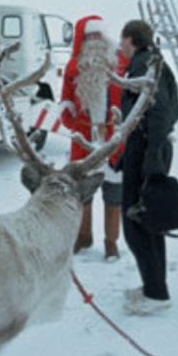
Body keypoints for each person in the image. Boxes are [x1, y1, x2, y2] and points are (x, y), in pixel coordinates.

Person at [116, 20, 178, 315]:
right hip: (147, 147)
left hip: (147, 150)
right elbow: (171, 110)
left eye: (123, 40)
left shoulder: (144, 65)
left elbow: (160, 111)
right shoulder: (155, 62)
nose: (120, 46)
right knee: (150, 221)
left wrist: (150, 154)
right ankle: (154, 286)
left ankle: (156, 294)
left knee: (138, 224)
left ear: (132, 39)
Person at [59, 16, 126, 261]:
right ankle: (84, 236)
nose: (95, 40)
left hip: (112, 138)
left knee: (114, 192)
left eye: (99, 35)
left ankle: (111, 242)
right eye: (90, 36)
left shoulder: (120, 63)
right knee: (83, 192)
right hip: (84, 139)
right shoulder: (73, 67)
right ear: (83, 39)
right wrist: (68, 115)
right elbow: (66, 98)